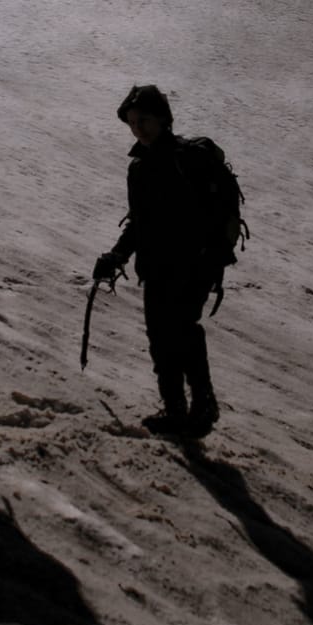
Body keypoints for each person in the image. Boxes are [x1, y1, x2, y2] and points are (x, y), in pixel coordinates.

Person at [93, 85, 239, 436]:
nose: (137, 128)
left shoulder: (185, 160)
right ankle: (176, 410)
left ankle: (202, 406)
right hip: (158, 267)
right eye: (131, 123)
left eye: (143, 120)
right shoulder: (140, 168)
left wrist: (209, 258)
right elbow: (139, 223)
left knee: (182, 331)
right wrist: (117, 255)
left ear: (162, 119)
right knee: (162, 338)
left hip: (193, 266)